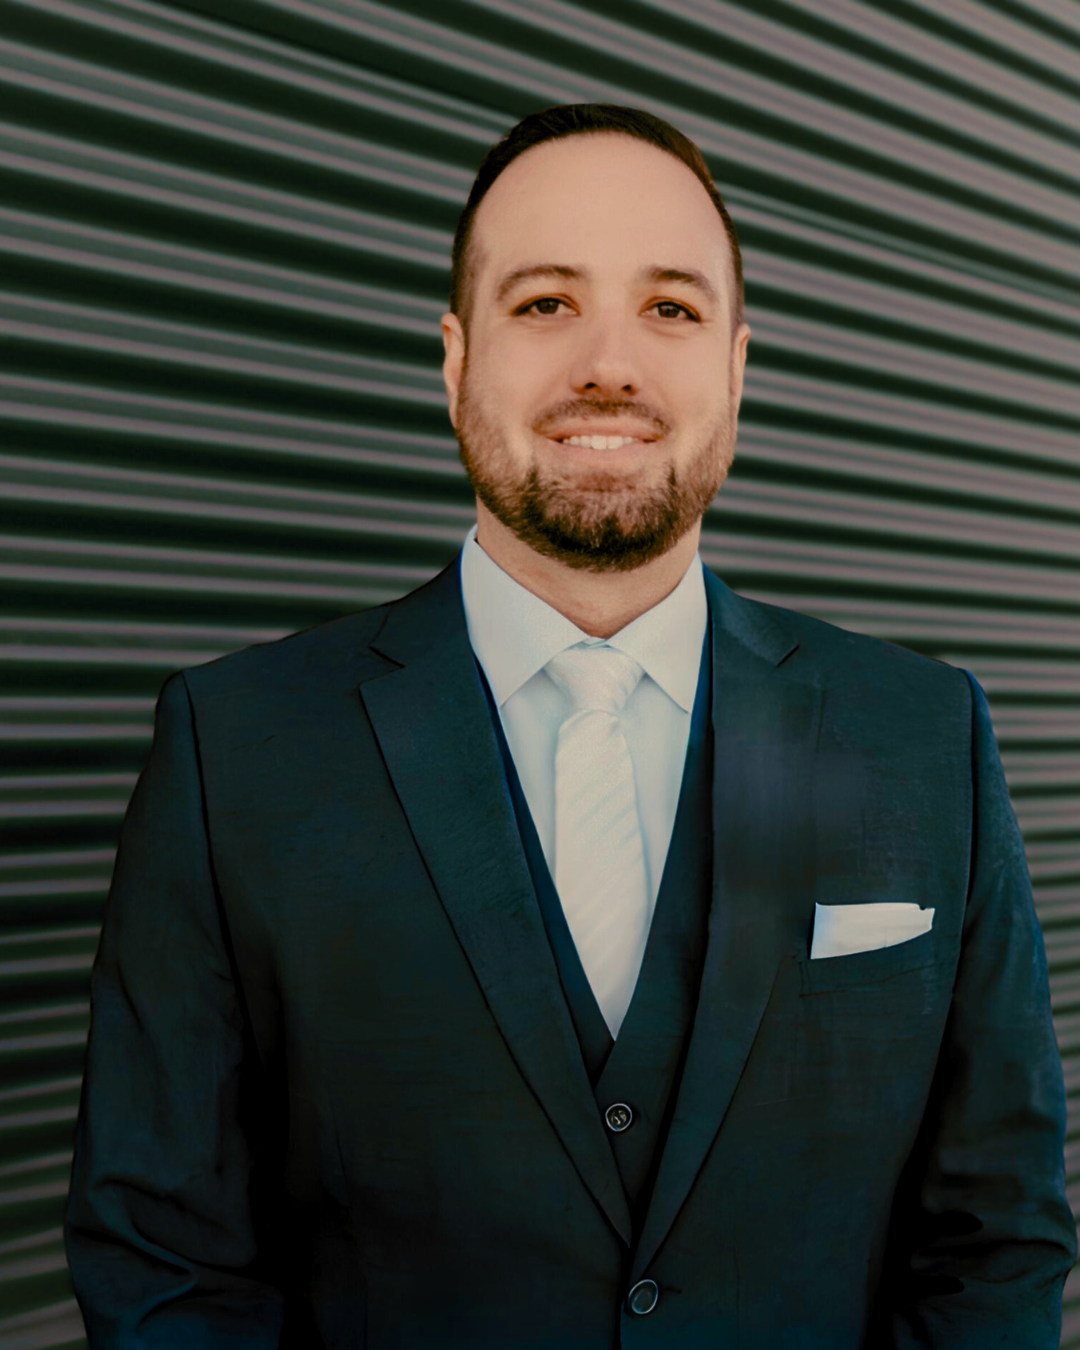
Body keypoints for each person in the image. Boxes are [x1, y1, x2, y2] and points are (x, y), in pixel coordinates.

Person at [64, 102, 1075, 1348]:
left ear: (737, 367)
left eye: (671, 308)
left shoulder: (929, 737)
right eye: (546, 303)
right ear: (454, 360)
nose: (611, 363)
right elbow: (163, 1258)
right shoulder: (232, 748)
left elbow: (998, 1238)